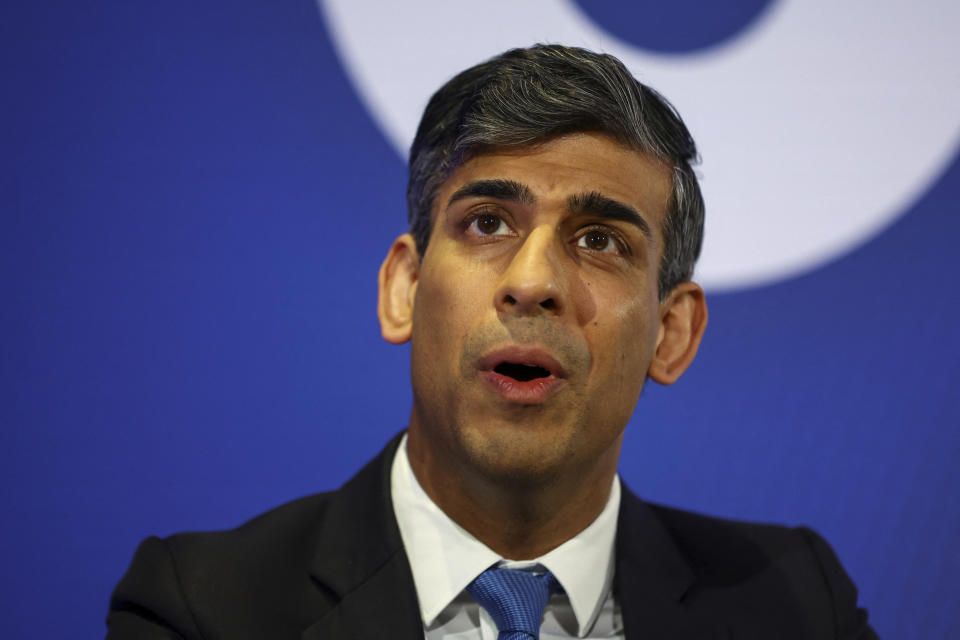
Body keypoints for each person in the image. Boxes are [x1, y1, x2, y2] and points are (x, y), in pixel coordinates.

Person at [106, 44, 878, 639]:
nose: (533, 280)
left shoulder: (797, 606)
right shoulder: (203, 608)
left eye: (601, 240)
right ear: (404, 287)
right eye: (487, 222)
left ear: (671, 334)